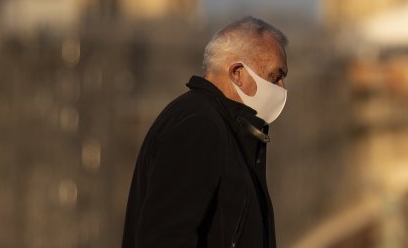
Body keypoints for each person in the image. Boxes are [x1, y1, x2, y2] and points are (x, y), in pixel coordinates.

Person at [122, 16, 289, 248]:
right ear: (238, 73)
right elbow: (165, 237)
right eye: (276, 76)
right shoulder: (198, 126)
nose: (282, 88)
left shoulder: (230, 131)